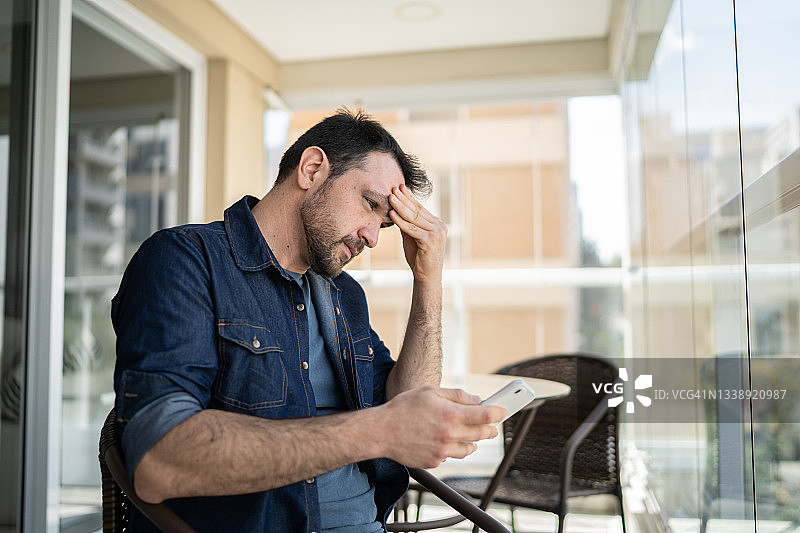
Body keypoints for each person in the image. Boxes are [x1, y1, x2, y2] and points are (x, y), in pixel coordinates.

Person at [112, 109, 505, 532]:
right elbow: (158, 460)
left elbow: (406, 405)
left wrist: (428, 279)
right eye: (370, 205)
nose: (373, 236)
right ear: (312, 169)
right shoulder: (185, 261)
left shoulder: (343, 295)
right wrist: (376, 431)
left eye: (384, 224)